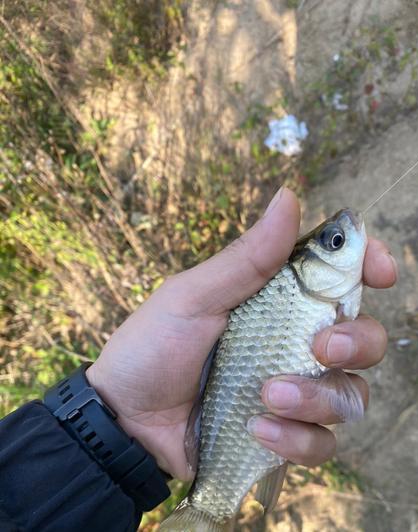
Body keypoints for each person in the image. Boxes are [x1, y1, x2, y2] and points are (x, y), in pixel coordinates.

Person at [0, 188, 397, 531]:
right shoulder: (302, 292)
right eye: (335, 242)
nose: (344, 240)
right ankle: (206, 511)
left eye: (334, 241)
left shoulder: (307, 293)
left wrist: (112, 427)